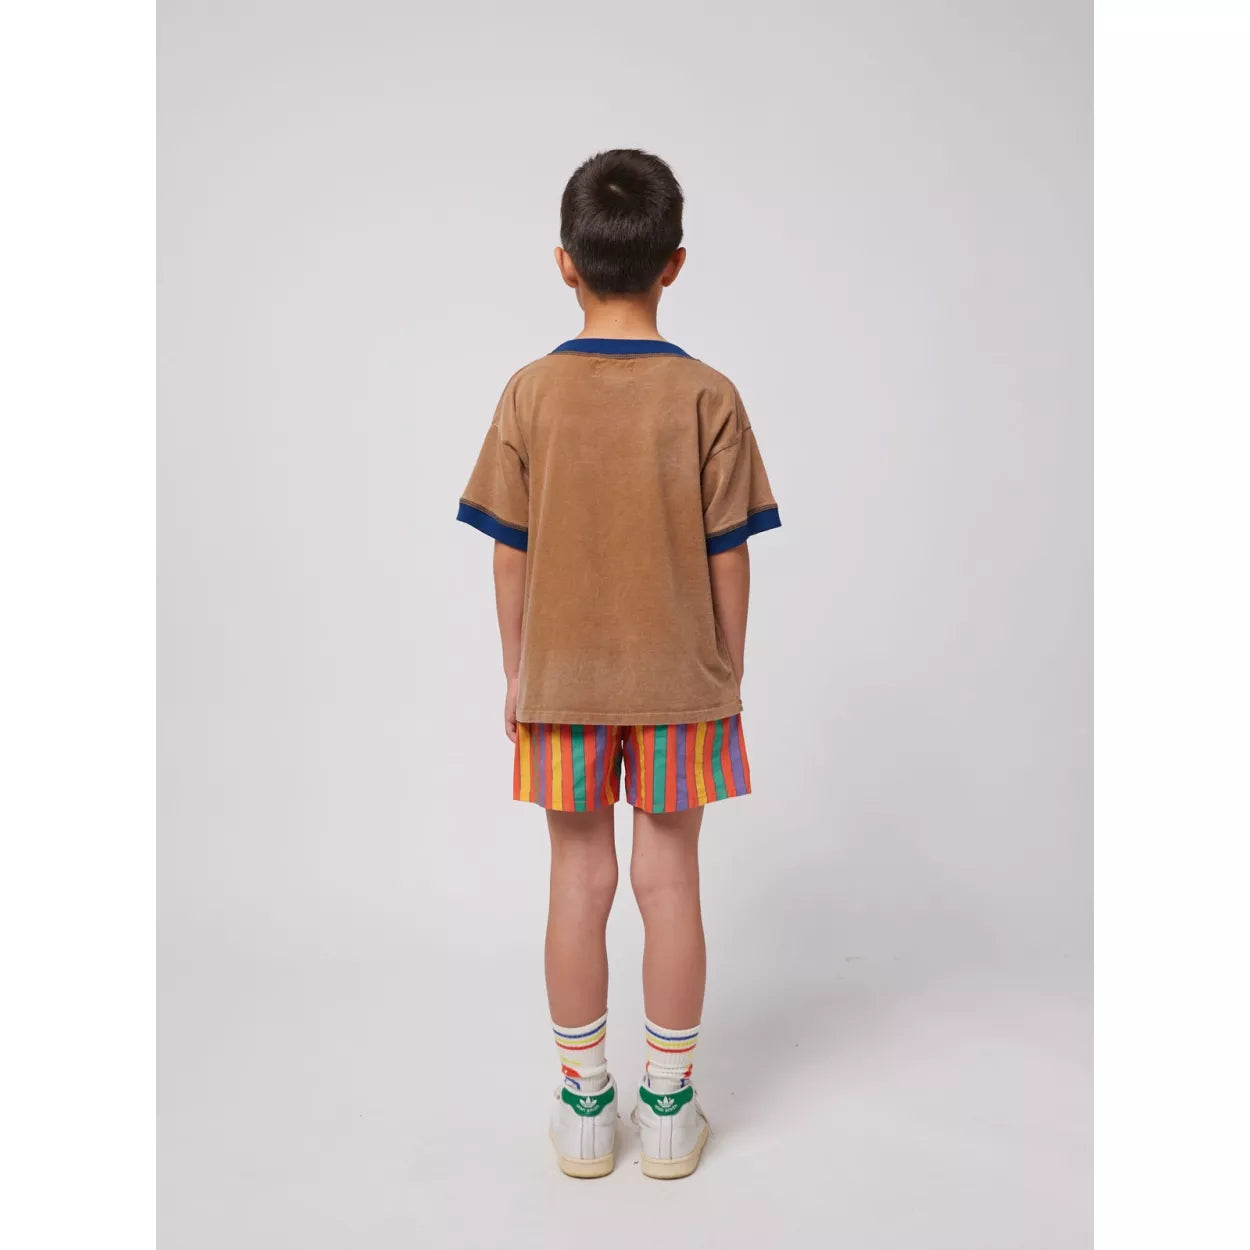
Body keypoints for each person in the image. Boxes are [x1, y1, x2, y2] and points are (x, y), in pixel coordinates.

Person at [456, 149, 780, 1179]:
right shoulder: (708, 395)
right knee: (668, 878)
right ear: (673, 262)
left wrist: (517, 671)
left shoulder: (529, 393)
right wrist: (725, 672)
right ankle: (670, 1109)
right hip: (684, 684)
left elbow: (509, 551)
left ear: (565, 262)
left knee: (578, 874)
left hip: (561, 682)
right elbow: (729, 555)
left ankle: (586, 1105)